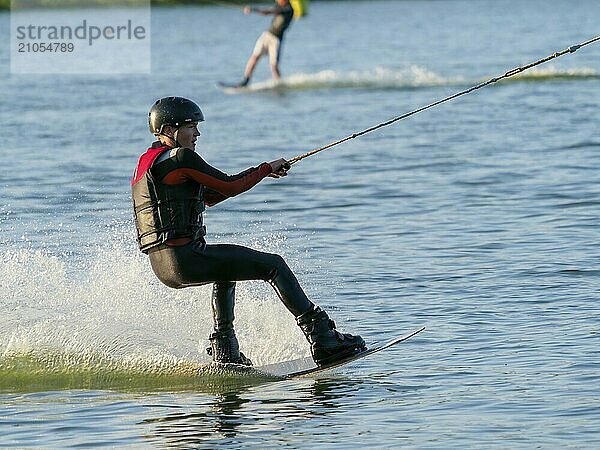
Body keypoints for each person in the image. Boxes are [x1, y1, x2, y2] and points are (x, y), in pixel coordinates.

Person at [131, 96, 366, 367]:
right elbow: (229, 186)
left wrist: (262, 174)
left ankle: (226, 351)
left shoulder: (148, 163)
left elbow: (209, 196)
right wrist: (265, 168)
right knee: (274, 266)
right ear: (171, 130)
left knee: (225, 268)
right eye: (191, 126)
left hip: (165, 267)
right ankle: (324, 339)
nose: (197, 133)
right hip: (186, 258)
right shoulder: (180, 158)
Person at [235, 0, 294, 87]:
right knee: (255, 57)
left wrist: (253, 9)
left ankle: (279, 84)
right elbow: (268, 11)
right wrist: (253, 10)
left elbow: (268, 12)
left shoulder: (288, 9)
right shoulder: (278, 6)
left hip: (276, 40)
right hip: (266, 35)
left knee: (273, 65)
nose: (277, 0)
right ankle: (246, 81)